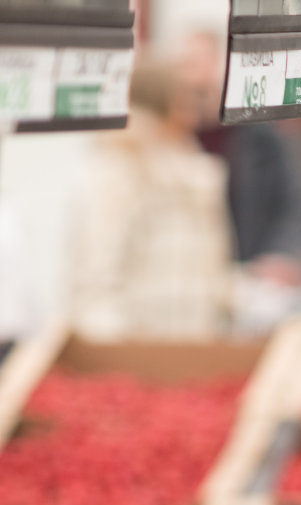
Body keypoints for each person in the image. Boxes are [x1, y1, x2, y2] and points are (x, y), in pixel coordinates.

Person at [69, 58, 233, 341]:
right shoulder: (115, 175)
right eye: (184, 100)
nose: (193, 114)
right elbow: (96, 281)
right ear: (161, 105)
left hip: (192, 353)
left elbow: (212, 271)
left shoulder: (197, 176)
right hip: (135, 358)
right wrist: (120, 350)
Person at [177, 31, 301, 287]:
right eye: (184, 65)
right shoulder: (175, 137)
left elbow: (295, 199)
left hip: (252, 271)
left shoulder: (260, 132)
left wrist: (282, 254)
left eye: (196, 63)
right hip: (197, 279)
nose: (190, 76)